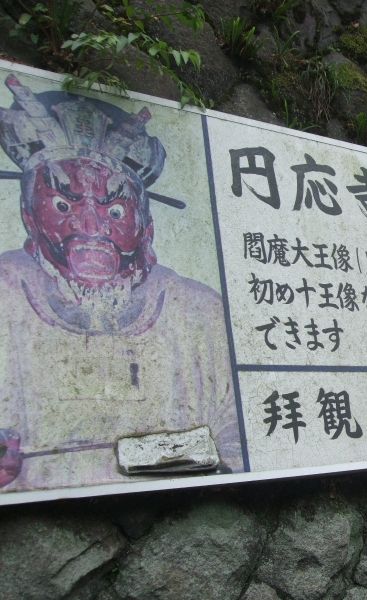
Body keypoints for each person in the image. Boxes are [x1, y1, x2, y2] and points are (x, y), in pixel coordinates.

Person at [0, 73, 243, 492]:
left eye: (114, 210)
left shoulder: (197, 311)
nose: (90, 226)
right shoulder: (6, 292)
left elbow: (243, 434)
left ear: (146, 226)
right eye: (62, 203)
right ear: (29, 216)